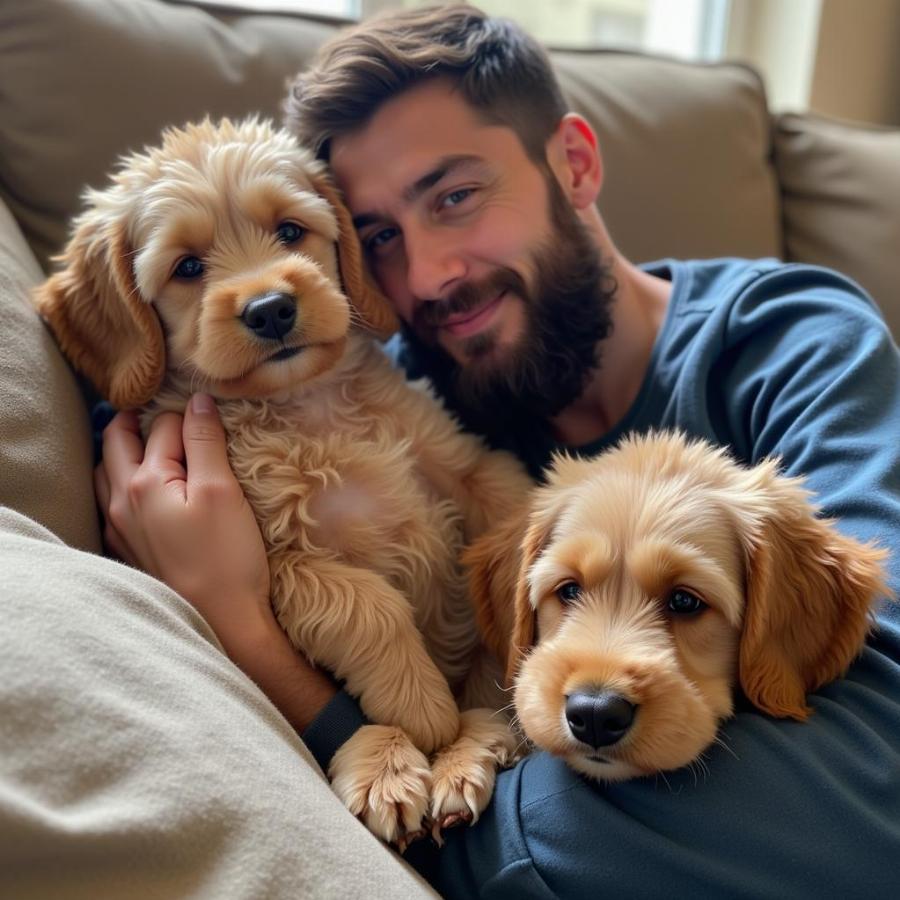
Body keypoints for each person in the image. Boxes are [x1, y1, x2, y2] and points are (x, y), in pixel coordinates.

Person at [96, 4, 900, 897]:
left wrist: (267, 655)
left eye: (456, 196)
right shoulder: (385, 374)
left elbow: (868, 781)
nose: (433, 275)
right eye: (382, 239)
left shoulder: (793, 343)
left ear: (577, 164)